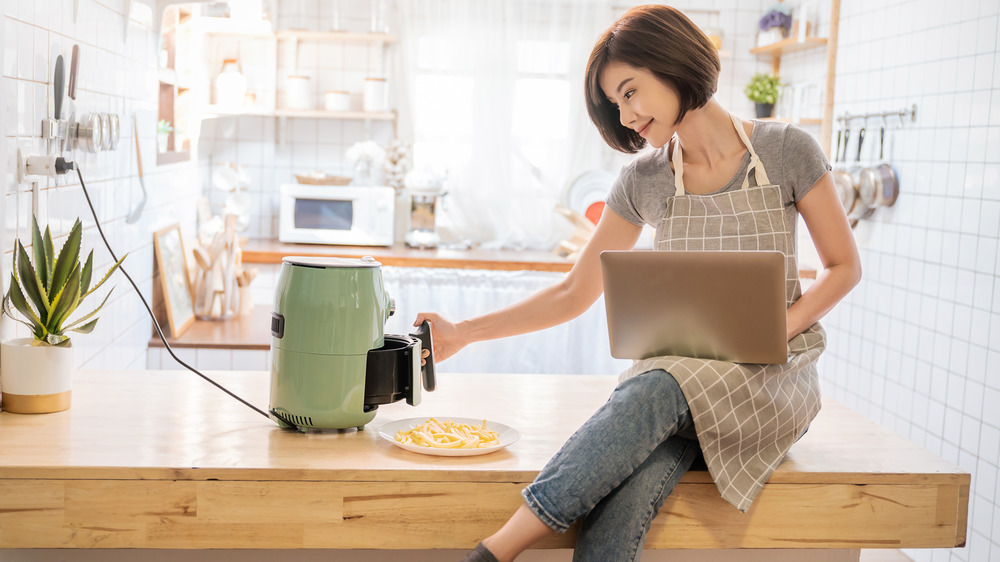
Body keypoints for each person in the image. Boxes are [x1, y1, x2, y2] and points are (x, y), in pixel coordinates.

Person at [414, 5, 862, 562]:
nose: (625, 116)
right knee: (619, 502)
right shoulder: (644, 180)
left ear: (672, 63)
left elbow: (845, 267)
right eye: (615, 103)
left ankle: (495, 551)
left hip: (768, 380)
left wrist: (775, 329)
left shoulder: (787, 150)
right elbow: (573, 292)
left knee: (652, 386)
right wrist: (463, 333)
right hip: (677, 388)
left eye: (630, 92)